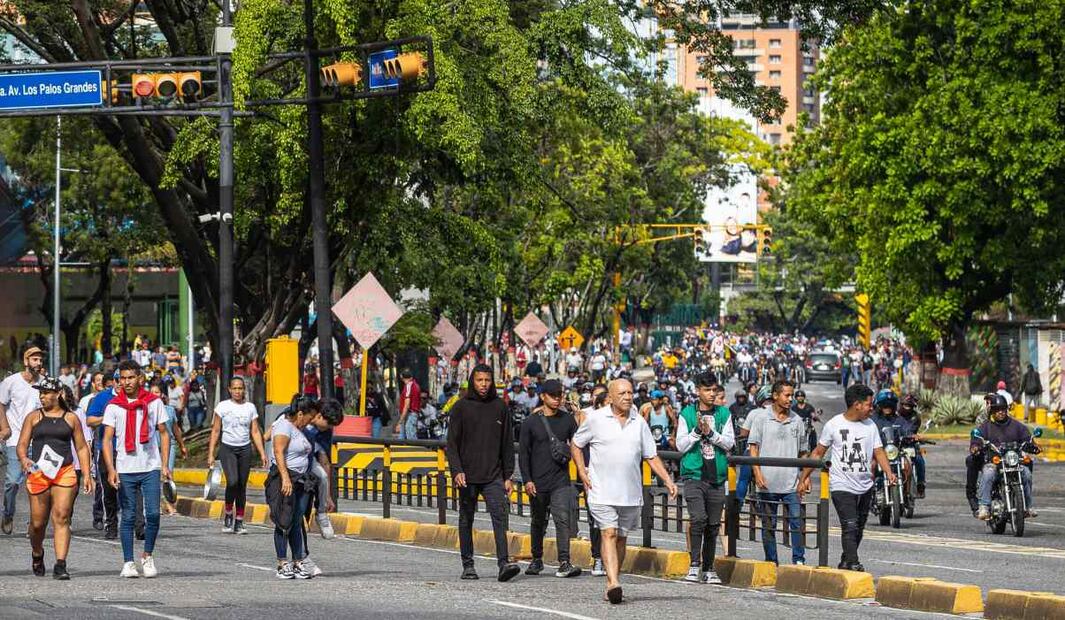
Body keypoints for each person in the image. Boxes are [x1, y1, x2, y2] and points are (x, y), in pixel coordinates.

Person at [571, 379, 678, 604]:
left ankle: (614, 578)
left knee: (621, 538)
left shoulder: (639, 422)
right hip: (601, 490)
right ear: (610, 396)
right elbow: (577, 444)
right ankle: (613, 583)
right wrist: (582, 471)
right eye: (622, 393)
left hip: (629, 492)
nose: (628, 397)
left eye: (630, 393)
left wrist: (668, 480)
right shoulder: (596, 419)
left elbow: (651, 455)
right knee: (608, 533)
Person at [799, 384, 894, 572]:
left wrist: (889, 472)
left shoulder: (871, 425)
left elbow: (879, 451)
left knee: (858, 527)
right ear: (857, 405)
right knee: (849, 524)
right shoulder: (834, 424)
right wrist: (803, 478)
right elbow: (818, 453)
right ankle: (853, 562)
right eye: (868, 404)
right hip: (841, 484)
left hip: (865, 484)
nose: (871, 408)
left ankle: (846, 559)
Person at [446, 364, 520, 582]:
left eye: (487, 380)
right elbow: (452, 444)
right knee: (466, 519)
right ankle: (468, 565)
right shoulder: (461, 407)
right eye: (479, 380)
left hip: (494, 476)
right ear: (472, 381)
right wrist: (457, 470)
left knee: (500, 517)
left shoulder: (500, 407)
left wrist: (509, 475)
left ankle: (503, 563)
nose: (484, 385)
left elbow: (507, 443)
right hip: (467, 476)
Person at [16, 376, 93, 579]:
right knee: (38, 524)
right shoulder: (34, 417)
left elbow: (82, 447)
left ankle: (60, 564)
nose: (42, 397)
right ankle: (37, 552)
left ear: (58, 394)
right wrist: (24, 459)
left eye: (46, 393)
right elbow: (22, 444)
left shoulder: (71, 418)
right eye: (40, 393)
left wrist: (87, 474)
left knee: (61, 516)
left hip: (64, 472)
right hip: (39, 473)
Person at [101, 360, 172, 578]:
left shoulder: (154, 403)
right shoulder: (114, 406)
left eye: (131, 377)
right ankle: (128, 562)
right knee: (129, 516)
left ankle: (147, 555)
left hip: (150, 466)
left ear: (140, 378)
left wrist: (165, 465)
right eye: (123, 378)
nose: (127, 382)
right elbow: (107, 440)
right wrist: (111, 469)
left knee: (152, 514)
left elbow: (164, 433)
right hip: (125, 467)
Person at [518, 379, 581, 578]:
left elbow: (579, 443)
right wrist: (527, 479)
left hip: (560, 479)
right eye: (553, 396)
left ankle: (564, 561)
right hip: (537, 481)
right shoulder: (530, 422)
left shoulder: (567, 420)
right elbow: (524, 454)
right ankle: (536, 559)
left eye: (560, 395)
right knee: (538, 520)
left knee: (562, 519)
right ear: (543, 396)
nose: (557, 399)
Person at [675, 372, 734, 583]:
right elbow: (680, 445)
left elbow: (729, 443)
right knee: (698, 519)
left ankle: (709, 568)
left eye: (714, 390)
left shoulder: (724, 414)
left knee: (713, 525)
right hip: (694, 475)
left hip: (716, 476)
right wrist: (697, 433)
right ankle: (694, 565)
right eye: (707, 390)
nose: (711, 394)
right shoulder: (687, 414)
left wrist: (711, 434)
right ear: (698, 391)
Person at [749, 379, 808, 566]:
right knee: (768, 525)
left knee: (797, 522)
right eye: (787, 395)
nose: (790, 399)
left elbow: (803, 452)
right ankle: (771, 562)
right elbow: (753, 448)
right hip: (767, 482)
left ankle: (798, 560)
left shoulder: (797, 421)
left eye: (792, 395)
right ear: (775, 396)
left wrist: (804, 478)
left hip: (791, 483)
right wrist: (757, 473)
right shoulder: (761, 418)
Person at [265, 396, 321, 579]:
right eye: (309, 417)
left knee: (296, 520)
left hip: (301, 480)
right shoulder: (284, 426)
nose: (310, 421)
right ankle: (282, 562)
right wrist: (285, 479)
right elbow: (278, 451)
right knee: (284, 520)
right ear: (300, 414)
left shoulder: (300, 430)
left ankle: (298, 561)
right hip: (284, 478)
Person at [207, 376, 268, 534]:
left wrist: (262, 453)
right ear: (229, 389)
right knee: (232, 482)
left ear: (244, 390)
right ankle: (228, 513)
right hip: (228, 448)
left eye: (240, 388)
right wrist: (211, 454)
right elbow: (215, 430)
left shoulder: (250, 408)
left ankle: (239, 520)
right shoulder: (222, 407)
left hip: (245, 449)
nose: (237, 391)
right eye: (234, 388)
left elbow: (254, 431)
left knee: (242, 485)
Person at [1, 346, 45, 535]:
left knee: (36, 483)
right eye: (35, 359)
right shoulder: (11, 382)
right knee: (12, 481)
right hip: (15, 441)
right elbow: (1, 404)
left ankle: (33, 523)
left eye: (40, 359)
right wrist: (4, 427)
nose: (39, 362)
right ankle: (8, 513)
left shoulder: (45, 383)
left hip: (38, 443)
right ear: (26, 361)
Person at [973, 394, 1037, 520]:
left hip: (1014, 463)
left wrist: (1033, 445)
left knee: (1027, 473)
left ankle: (1028, 506)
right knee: (988, 473)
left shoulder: (1016, 426)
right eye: (998, 410)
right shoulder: (986, 426)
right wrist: (975, 446)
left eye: (1003, 409)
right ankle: (984, 506)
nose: (1001, 412)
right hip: (995, 463)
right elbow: (977, 438)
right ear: (993, 411)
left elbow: (1027, 438)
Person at [148, 382, 187, 516]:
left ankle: (170, 506)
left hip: (169, 446)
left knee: (168, 475)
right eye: (152, 392)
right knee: (154, 477)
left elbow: (176, 430)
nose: (154, 394)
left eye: (157, 392)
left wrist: (182, 445)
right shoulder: (145, 410)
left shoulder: (170, 410)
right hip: (152, 447)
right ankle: (157, 504)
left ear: (162, 394)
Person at [897, 394, 926, 498]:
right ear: (901, 405)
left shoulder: (915, 417)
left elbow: (914, 430)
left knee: (919, 460)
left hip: (910, 445)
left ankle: (920, 485)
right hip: (896, 446)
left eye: (909, 406)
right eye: (905, 405)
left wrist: (917, 437)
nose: (907, 407)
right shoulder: (895, 416)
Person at [394, 370, 422, 440]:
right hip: (410, 415)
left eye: (402, 379)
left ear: (404, 378)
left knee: (411, 438)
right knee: (402, 437)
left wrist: (400, 422)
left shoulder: (409, 386)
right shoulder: (415, 385)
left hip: (410, 415)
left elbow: (407, 405)